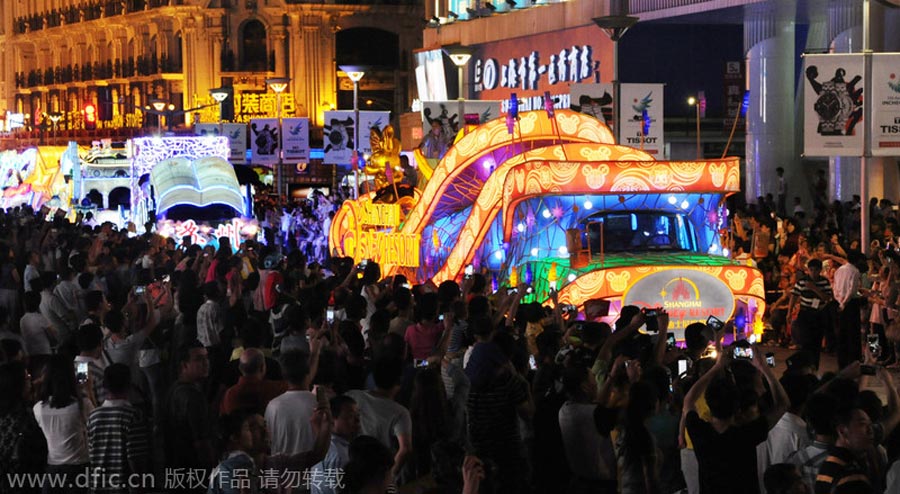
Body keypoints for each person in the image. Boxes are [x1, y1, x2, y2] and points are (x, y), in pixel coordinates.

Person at [683, 339, 790, 494]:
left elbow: (688, 401)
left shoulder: (700, 432)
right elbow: (783, 404)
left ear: (709, 404)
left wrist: (716, 367)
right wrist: (764, 369)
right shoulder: (746, 434)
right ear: (737, 408)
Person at [345, 355, 413, 484]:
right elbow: (406, 449)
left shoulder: (353, 396)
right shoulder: (400, 412)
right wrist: (390, 476)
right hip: (380, 470)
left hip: (353, 463)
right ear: (399, 381)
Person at [86, 363, 151, 494]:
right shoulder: (133, 415)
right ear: (129, 385)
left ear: (104, 386)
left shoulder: (93, 416)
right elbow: (135, 458)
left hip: (97, 486)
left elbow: (90, 453)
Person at [33, 354, 92, 494]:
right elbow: (94, 424)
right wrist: (88, 391)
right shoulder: (81, 405)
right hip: (79, 468)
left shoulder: (39, 408)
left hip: (53, 470)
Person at [162, 341, 216, 476]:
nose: (206, 363)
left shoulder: (174, 389)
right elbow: (201, 441)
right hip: (193, 469)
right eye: (199, 359)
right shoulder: (192, 395)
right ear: (184, 365)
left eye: (206, 357)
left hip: (176, 468)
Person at [309, 395, 362, 494]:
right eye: (350, 416)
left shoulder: (327, 445)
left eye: (358, 415)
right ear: (332, 420)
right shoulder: (339, 454)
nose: (357, 421)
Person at [788, 259, 833, 368]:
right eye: (811, 270)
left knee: (816, 342)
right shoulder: (802, 281)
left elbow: (827, 297)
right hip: (805, 313)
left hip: (819, 314)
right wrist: (789, 312)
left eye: (816, 270)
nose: (813, 272)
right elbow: (794, 296)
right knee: (804, 341)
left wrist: (814, 288)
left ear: (820, 270)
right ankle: (805, 365)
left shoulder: (824, 282)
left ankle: (814, 366)